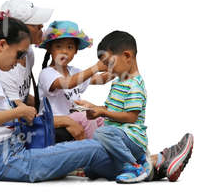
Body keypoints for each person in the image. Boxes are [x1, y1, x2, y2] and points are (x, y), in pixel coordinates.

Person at [0, 10, 127, 182]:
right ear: (2, 45)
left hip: (7, 156)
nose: (18, 61)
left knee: (93, 142)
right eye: (19, 54)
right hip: (10, 161)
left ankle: (128, 165)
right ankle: (133, 168)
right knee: (93, 148)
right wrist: (18, 112)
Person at [75, 31, 194, 182]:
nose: (107, 69)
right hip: (117, 137)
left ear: (127, 56)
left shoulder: (135, 85)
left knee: (101, 133)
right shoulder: (118, 82)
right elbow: (109, 109)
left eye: (109, 63)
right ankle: (153, 164)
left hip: (132, 138)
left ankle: (133, 166)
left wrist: (102, 113)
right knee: (92, 169)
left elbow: (131, 117)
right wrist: (92, 107)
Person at [0, 0, 88, 142]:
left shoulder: (28, 53)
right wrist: (65, 120)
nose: (41, 25)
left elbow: (23, 96)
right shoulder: (5, 71)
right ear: (18, 30)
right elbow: (18, 116)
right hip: (12, 135)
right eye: (35, 23)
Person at [37, 20, 114, 139]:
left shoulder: (75, 72)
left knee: (101, 117)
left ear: (76, 51)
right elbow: (68, 83)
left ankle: (112, 152)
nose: (64, 51)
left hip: (75, 116)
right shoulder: (47, 73)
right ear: (49, 49)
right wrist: (96, 67)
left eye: (70, 47)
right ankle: (92, 151)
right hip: (56, 120)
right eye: (58, 46)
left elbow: (100, 79)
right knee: (86, 117)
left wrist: (118, 69)